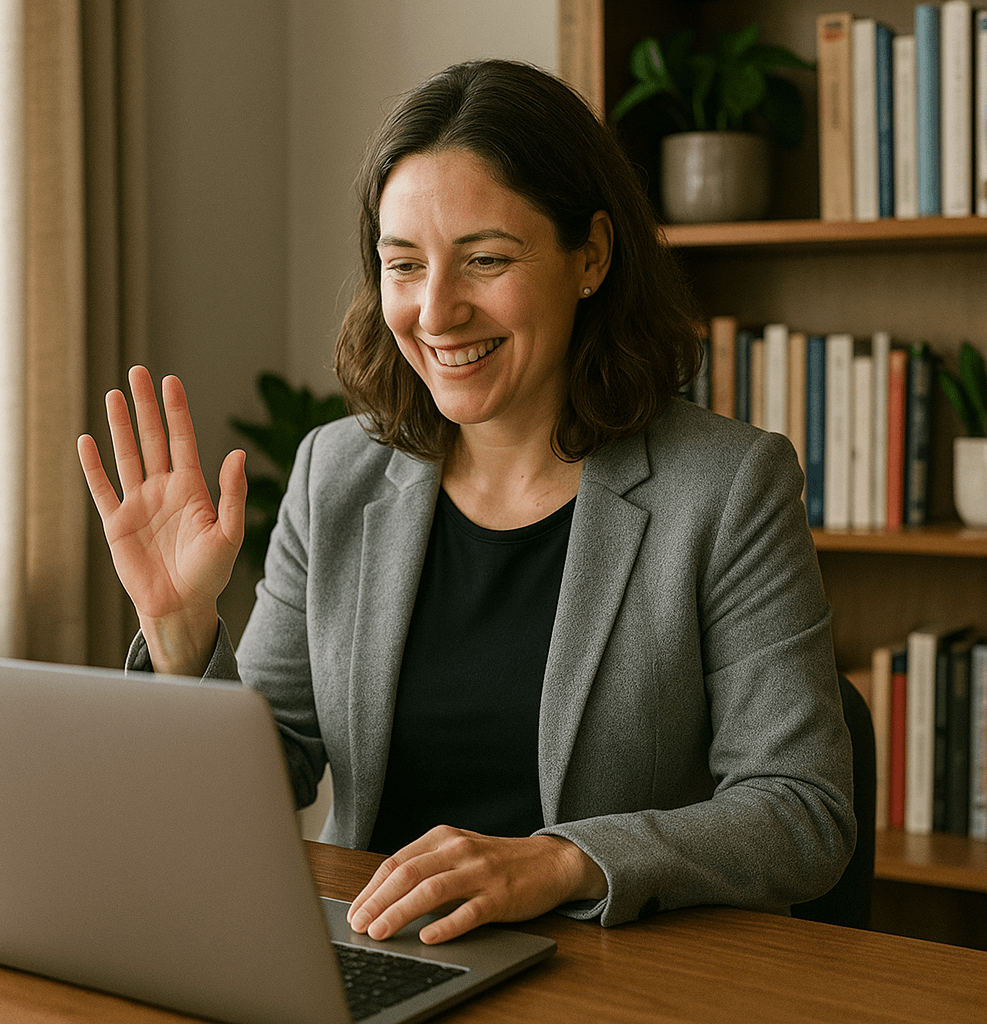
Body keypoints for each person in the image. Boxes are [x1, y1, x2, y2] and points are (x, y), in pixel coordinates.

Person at [78, 59, 855, 947]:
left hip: (607, 973)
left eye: (485, 260)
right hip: (376, 951)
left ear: (592, 256)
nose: (437, 311)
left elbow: (802, 810)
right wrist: (180, 632)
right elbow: (259, 779)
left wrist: (561, 861)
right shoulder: (336, 472)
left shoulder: (728, 487)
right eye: (404, 265)